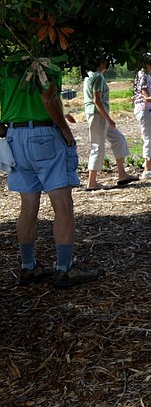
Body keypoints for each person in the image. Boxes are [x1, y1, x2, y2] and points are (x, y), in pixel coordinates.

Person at [0, 59, 100, 288]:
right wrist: (65, 130)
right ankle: (64, 268)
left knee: (28, 204)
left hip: (14, 135)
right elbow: (47, 98)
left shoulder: (6, 63)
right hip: (44, 133)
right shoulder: (47, 62)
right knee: (62, 202)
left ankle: (28, 266)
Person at [83, 54, 137, 190]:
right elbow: (97, 100)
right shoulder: (98, 77)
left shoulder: (89, 75)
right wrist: (109, 119)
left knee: (118, 139)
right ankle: (92, 182)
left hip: (97, 115)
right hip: (98, 116)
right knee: (97, 146)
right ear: (101, 63)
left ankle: (122, 174)